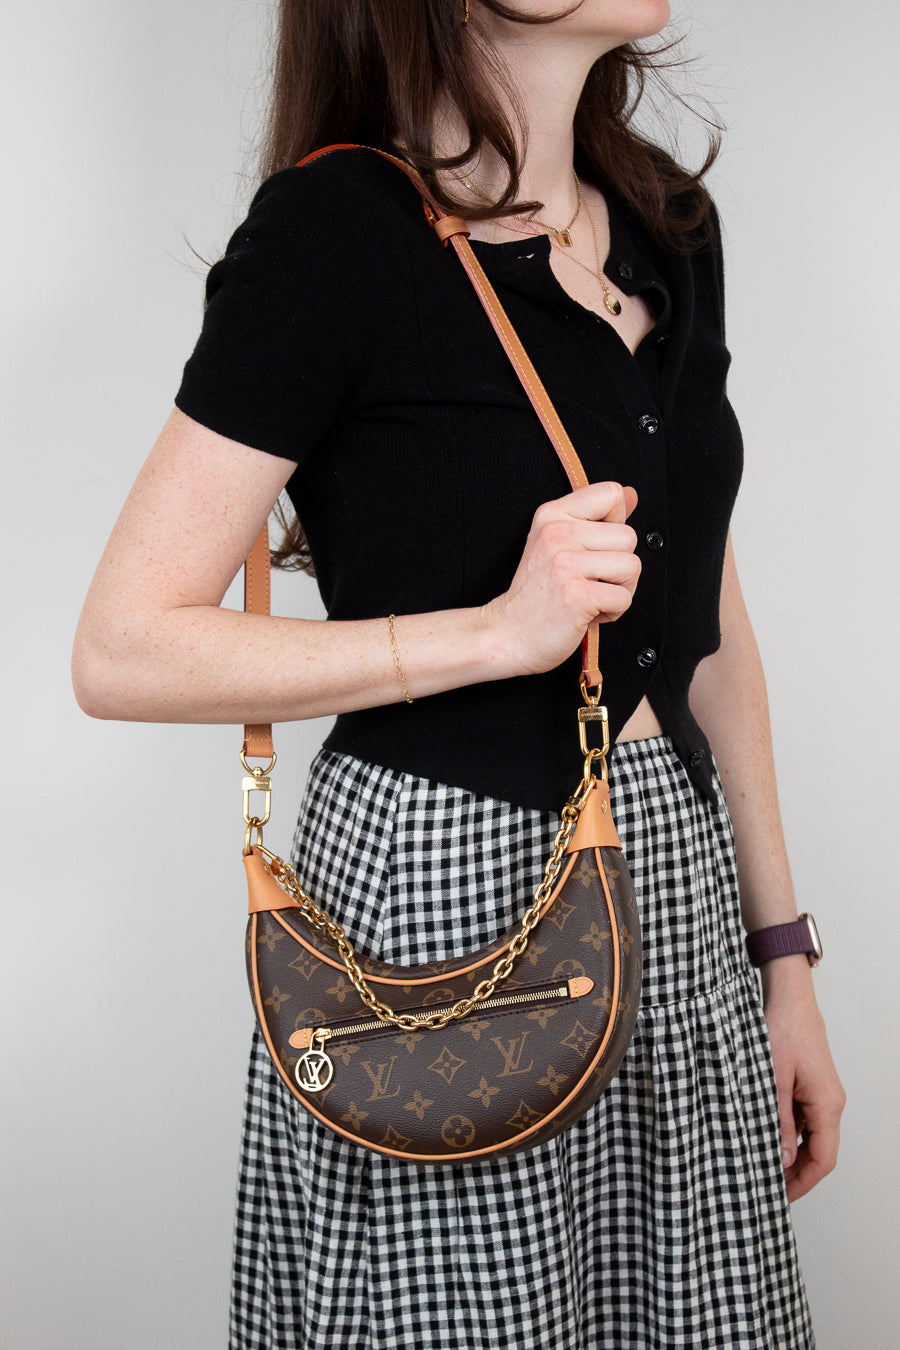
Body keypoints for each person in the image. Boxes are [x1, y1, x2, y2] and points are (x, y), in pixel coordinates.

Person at [72, 1, 846, 1346]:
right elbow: (122, 642)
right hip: (446, 885)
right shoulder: (338, 236)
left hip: (677, 858)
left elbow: (707, 608)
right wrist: (494, 630)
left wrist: (785, 958)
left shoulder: (664, 228)